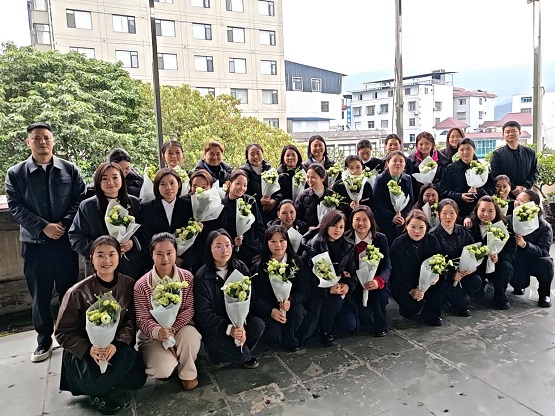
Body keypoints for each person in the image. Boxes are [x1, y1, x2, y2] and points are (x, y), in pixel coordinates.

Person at [5, 122, 85, 363]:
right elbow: (15, 207)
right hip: (35, 244)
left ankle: (70, 336)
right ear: (28, 142)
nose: (42, 142)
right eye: (37, 138)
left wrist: (63, 224)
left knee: (69, 292)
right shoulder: (16, 173)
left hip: (65, 242)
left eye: (47, 137)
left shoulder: (70, 170)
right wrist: (43, 227)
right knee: (39, 294)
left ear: (53, 140)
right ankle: (43, 340)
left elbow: (79, 199)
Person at [55, 236, 146, 414]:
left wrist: (117, 343)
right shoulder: (77, 293)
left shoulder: (128, 284)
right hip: (86, 351)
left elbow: (131, 320)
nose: (106, 260)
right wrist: (89, 349)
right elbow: (62, 333)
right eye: (100, 255)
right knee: (94, 379)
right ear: (91, 259)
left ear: (119, 257)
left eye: (112, 254)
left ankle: (105, 381)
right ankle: (97, 393)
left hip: (115, 345)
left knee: (137, 380)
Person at [134, 233, 201, 390]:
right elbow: (142, 318)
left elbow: (188, 309)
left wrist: (172, 330)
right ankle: (170, 364)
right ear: (152, 255)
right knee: (162, 368)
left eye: (169, 253)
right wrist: (159, 332)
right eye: (159, 254)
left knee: (190, 337)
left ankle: (187, 373)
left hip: (180, 328)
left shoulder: (187, 278)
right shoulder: (142, 285)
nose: (165, 258)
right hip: (153, 335)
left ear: (176, 253)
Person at [194, 229, 265, 368]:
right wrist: (229, 329)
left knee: (258, 325)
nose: (224, 250)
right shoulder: (201, 277)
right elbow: (203, 313)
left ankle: (241, 351)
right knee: (242, 356)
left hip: (239, 323)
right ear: (209, 249)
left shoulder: (240, 267)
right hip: (218, 328)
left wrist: (241, 323)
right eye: (218, 246)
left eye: (227, 245)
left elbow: (251, 298)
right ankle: (224, 354)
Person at [69, 162, 145, 280]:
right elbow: (75, 237)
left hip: (129, 267)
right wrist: (100, 249)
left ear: (122, 179)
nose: (110, 182)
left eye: (115, 177)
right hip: (98, 267)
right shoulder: (88, 206)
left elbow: (145, 232)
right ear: (98, 181)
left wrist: (132, 242)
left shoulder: (134, 203)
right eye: (105, 179)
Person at [301, 210, 357, 347]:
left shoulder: (348, 245)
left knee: (350, 325)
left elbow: (352, 272)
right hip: (317, 292)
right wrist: (327, 290)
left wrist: (348, 285)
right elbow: (305, 278)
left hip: (338, 291)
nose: (338, 230)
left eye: (341, 227)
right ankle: (325, 331)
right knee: (334, 301)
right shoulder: (312, 246)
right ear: (326, 225)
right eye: (334, 225)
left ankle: (330, 320)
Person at [251, 225, 308, 351]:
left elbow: (305, 290)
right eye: (273, 241)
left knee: (298, 312)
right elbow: (255, 297)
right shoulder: (259, 266)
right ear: (267, 243)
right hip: (270, 308)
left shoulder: (297, 263)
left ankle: (290, 338)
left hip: (291, 305)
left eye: (282, 240)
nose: (278, 245)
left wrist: (291, 300)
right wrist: (270, 310)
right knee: (272, 333)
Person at [390, 210, 445, 326]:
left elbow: (440, 261)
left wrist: (437, 275)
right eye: (413, 227)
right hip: (406, 285)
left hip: (428, 284)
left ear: (426, 227)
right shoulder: (398, 244)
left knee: (441, 281)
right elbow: (395, 274)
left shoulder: (432, 240)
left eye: (421, 227)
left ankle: (432, 313)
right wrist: (411, 290)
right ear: (406, 226)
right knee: (409, 311)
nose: (416, 231)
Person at [430, 199, 482, 317]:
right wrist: (452, 275)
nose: (448, 217)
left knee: (476, 281)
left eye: (452, 213)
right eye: (444, 213)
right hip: (443, 278)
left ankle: (460, 295)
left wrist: (472, 267)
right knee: (462, 302)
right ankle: (448, 299)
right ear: (438, 214)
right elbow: (432, 264)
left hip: (462, 273)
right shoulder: (432, 235)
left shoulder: (463, 231)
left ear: (457, 214)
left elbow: (473, 251)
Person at [346, 206, 391, 337]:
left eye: (365, 219)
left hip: (375, 283)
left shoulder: (380, 238)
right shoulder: (346, 239)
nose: (361, 223)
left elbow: (387, 265)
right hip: (355, 284)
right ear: (351, 221)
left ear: (371, 221)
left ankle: (380, 326)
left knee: (381, 293)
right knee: (359, 317)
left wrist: (378, 281)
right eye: (357, 219)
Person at [467, 196, 516, 309]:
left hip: (496, 263)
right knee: (475, 291)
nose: (486, 214)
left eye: (490, 211)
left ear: (496, 211)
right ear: (477, 210)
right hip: (477, 265)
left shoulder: (504, 226)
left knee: (506, 267)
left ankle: (500, 295)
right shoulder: (470, 225)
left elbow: (511, 250)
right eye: (482, 210)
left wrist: (498, 256)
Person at [139, 168, 193, 269]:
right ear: (157, 187)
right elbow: (145, 237)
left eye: (172, 183)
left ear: (179, 184)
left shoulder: (188, 205)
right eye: (163, 184)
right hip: (155, 262)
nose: (168, 188)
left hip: (183, 263)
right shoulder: (146, 208)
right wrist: (159, 258)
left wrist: (180, 259)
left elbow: (193, 236)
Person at [509, 190, 553, 307]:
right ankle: (519, 284)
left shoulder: (544, 227)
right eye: (517, 200)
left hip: (535, 260)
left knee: (546, 263)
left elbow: (544, 251)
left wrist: (525, 245)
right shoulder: (509, 220)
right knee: (518, 284)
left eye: (523, 201)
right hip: (517, 260)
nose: (517, 203)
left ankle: (545, 294)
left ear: (534, 206)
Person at [440, 138, 495, 224]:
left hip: (480, 213)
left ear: (474, 150)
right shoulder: (450, 169)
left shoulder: (483, 168)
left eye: (468, 149)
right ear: (458, 151)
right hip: (457, 213)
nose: (465, 152)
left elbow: (492, 190)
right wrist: (460, 196)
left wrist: (478, 191)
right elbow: (444, 190)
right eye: (462, 150)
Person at [222, 170, 265, 267]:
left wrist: (261, 249)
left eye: (245, 185)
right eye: (238, 184)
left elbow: (259, 226)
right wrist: (232, 240)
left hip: (252, 250)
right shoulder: (222, 204)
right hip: (230, 252)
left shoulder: (250, 201)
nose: (242, 188)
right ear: (229, 184)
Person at [373, 151, 414, 246]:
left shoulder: (407, 178)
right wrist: (392, 217)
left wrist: (402, 217)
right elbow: (377, 203)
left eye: (401, 161)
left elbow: (410, 200)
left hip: (402, 221)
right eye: (394, 161)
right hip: (385, 222)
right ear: (388, 163)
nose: (398, 163)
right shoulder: (380, 179)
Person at [490, 121, 538, 198]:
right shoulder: (497, 154)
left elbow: (534, 172)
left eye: (514, 131)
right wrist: (513, 188)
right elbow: (496, 174)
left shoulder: (530, 152)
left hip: (526, 194)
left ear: (520, 133)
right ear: (503, 134)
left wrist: (524, 187)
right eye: (507, 132)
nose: (510, 134)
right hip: (505, 195)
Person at [240, 143, 283, 224]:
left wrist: (275, 200)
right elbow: (241, 195)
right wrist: (259, 201)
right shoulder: (243, 173)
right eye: (252, 154)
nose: (255, 157)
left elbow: (280, 190)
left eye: (258, 153)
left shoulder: (271, 170)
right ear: (247, 157)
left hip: (271, 214)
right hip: (253, 214)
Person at [332, 155, 374, 221]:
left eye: (358, 167)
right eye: (351, 168)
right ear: (346, 169)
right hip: (343, 221)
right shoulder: (338, 185)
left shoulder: (366, 185)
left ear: (362, 167)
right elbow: (335, 206)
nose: (355, 171)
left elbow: (371, 205)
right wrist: (349, 207)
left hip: (362, 220)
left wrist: (360, 206)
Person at [294, 163, 335, 231]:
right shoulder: (303, 196)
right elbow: (296, 217)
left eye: (313, 177)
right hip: (308, 233)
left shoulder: (332, 195)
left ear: (322, 178)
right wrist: (307, 227)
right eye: (307, 177)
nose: (309, 180)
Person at [408, 131, 448, 196]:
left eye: (427, 144)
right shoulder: (411, 160)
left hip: (437, 193)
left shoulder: (442, 160)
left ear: (432, 144)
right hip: (417, 194)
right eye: (421, 144)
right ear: (417, 145)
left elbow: (444, 180)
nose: (424, 147)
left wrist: (433, 186)